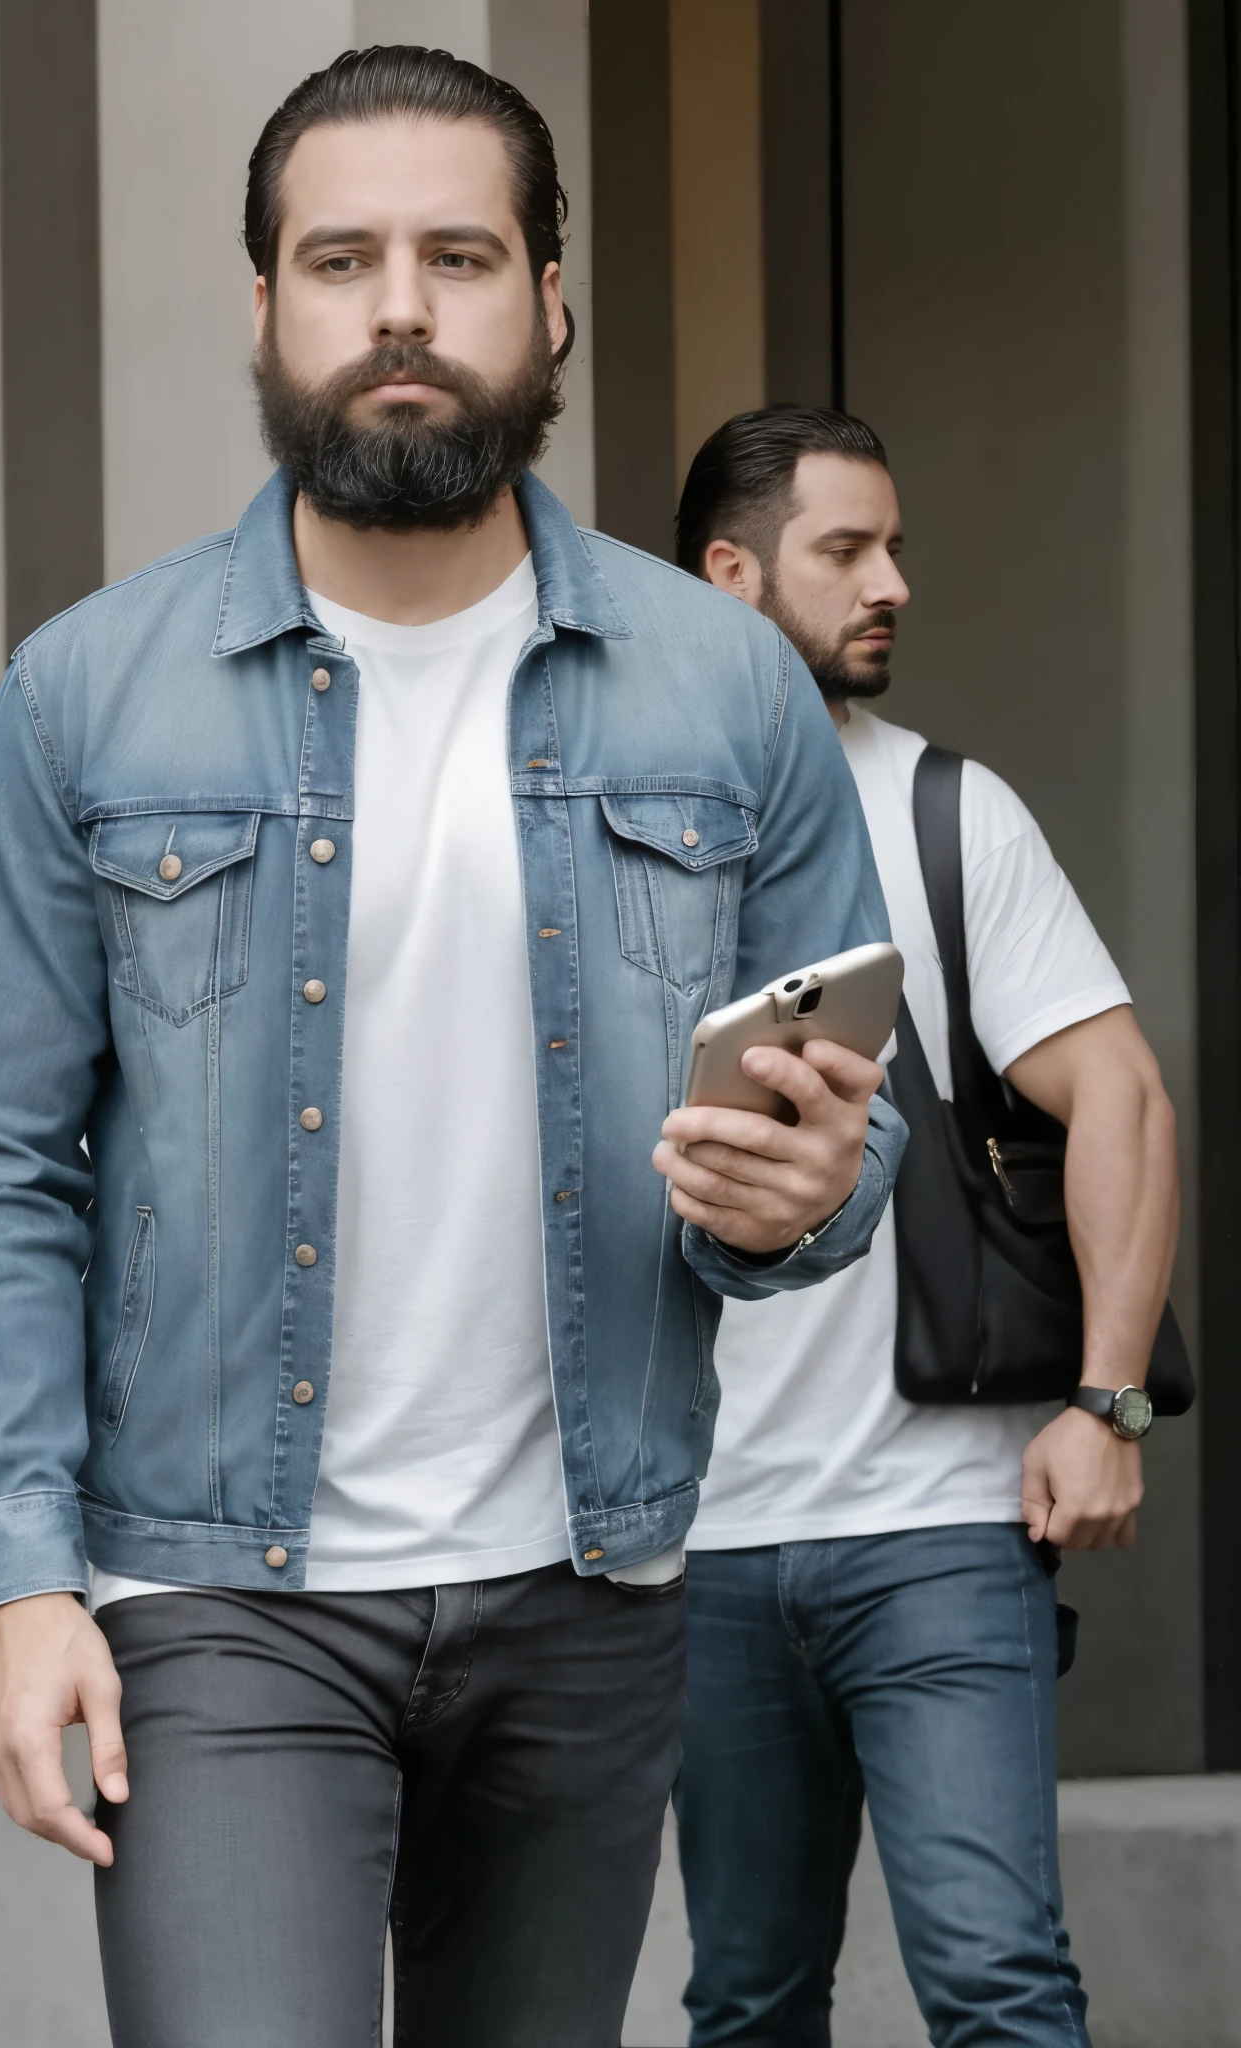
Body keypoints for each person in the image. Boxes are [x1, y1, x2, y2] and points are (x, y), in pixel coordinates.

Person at [0, 50, 905, 2048]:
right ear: (262, 310)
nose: (401, 307)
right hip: (214, 1596)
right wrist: (18, 1588)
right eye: (339, 259)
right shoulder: (83, 699)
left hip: (589, 1586)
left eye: (458, 253)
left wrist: (800, 1203)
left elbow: (844, 1122)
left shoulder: (727, 693)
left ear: (551, 305)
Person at [674, 404, 1177, 2048]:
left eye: (894, 545)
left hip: (945, 1525)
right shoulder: (610, 837)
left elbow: (1122, 1098)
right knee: (748, 2003)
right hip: (692, 1546)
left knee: (999, 1992)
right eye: (847, 551)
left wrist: (1106, 1403)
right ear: (731, 577)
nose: (893, 581)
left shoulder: (953, 814)